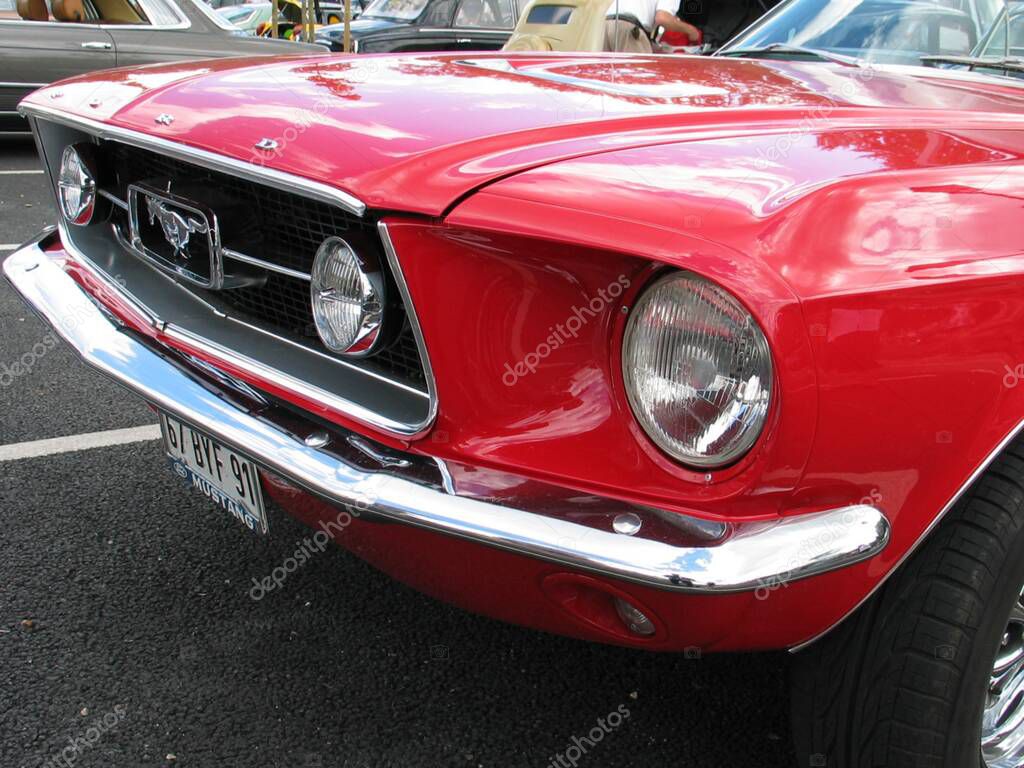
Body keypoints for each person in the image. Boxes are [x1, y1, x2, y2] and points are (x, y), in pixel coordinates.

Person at [603, 0, 700, 52]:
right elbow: (663, 18)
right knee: (639, 80)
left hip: (605, 26)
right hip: (628, 28)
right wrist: (691, 30)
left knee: (608, 81)